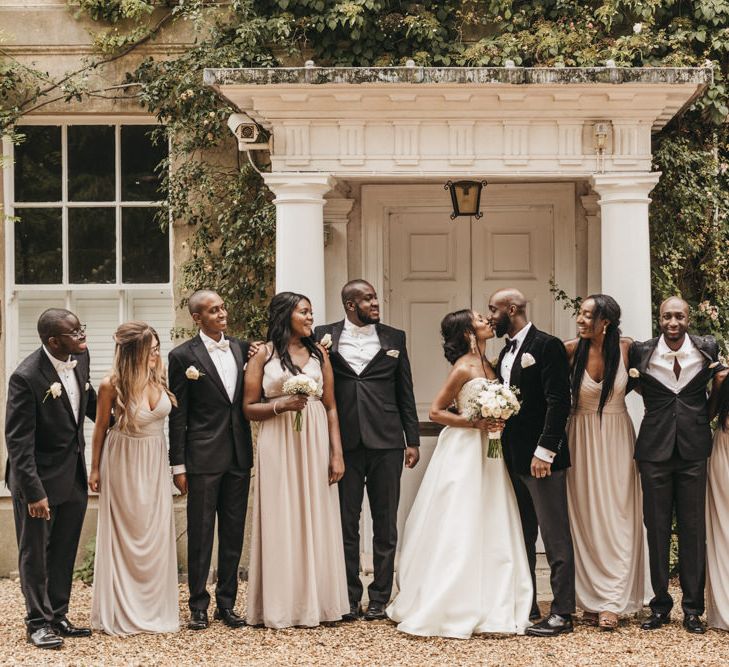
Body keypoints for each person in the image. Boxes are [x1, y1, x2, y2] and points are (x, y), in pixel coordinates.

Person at [387, 310, 532, 638]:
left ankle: (492, 595)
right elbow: (436, 411)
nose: (487, 321)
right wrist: (475, 422)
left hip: (490, 451)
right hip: (464, 449)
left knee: (491, 515)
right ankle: (451, 598)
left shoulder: (491, 364)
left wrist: (498, 418)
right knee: (461, 517)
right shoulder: (463, 367)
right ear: (468, 331)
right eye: (481, 319)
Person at [314, 279, 420, 621]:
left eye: (375, 297)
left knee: (385, 522)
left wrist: (412, 439)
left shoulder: (394, 337)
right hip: (343, 443)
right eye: (368, 299)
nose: (376, 303)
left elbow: (405, 389)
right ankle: (348, 595)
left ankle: (379, 597)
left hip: (387, 441)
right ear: (350, 305)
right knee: (346, 522)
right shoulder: (323, 334)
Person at [244, 292, 348, 628]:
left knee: (317, 514)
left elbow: (331, 405)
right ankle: (280, 605)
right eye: (304, 312)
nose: (310, 318)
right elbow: (248, 407)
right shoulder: (263, 353)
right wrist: (282, 406)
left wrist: (336, 454)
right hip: (277, 439)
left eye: (310, 312)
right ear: (286, 315)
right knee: (281, 514)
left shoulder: (319, 353)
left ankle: (318, 603)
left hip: (315, 438)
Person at [629, 296, 721, 634]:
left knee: (694, 530)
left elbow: (718, 388)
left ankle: (693, 609)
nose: (672, 322)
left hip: (694, 451)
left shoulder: (707, 348)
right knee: (656, 528)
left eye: (679, 316)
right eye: (667, 316)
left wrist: (702, 419)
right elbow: (634, 385)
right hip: (654, 450)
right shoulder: (641, 352)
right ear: (659, 318)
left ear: (688, 318)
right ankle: (660, 606)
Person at [4, 308, 96, 649]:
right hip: (37, 481)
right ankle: (38, 623)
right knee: (35, 553)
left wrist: (124, 419)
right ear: (53, 340)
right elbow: (18, 442)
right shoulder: (26, 377)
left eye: (81, 328)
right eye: (75, 332)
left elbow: (90, 405)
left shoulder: (80, 360)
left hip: (72, 474)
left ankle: (58, 614)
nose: (83, 335)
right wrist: (34, 493)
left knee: (63, 548)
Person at [487, 288, 575, 637]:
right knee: (522, 534)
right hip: (512, 458)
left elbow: (559, 402)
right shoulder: (504, 353)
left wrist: (545, 451)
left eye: (493, 310)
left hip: (541, 460)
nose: (490, 316)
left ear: (512, 309)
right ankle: (528, 603)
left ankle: (562, 613)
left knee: (555, 536)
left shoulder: (546, 345)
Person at [168, 290, 253, 630]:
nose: (222, 313)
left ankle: (227, 604)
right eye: (213, 310)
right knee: (201, 533)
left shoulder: (242, 348)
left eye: (222, 307)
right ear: (197, 318)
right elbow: (178, 415)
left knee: (233, 532)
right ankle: (198, 606)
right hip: (201, 457)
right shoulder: (181, 357)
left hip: (238, 455)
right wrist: (178, 464)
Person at [89, 321, 179, 635]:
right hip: (123, 458)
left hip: (154, 459)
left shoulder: (160, 377)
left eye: (157, 348)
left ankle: (153, 607)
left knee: (153, 532)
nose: (156, 353)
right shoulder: (111, 385)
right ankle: (123, 608)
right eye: (150, 349)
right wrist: (95, 468)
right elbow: (100, 428)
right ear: (132, 352)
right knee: (127, 533)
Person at [564, 295, 645, 630]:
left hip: (616, 436)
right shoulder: (570, 351)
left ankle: (613, 598)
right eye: (580, 314)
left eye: (586, 315)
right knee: (584, 515)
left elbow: (657, 388)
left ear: (605, 322)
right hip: (580, 437)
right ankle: (591, 598)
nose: (580, 320)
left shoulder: (629, 350)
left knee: (619, 514)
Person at [707, 367, 729, 630]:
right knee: (723, 527)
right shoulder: (723, 378)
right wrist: (716, 388)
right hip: (724, 449)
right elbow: (706, 416)